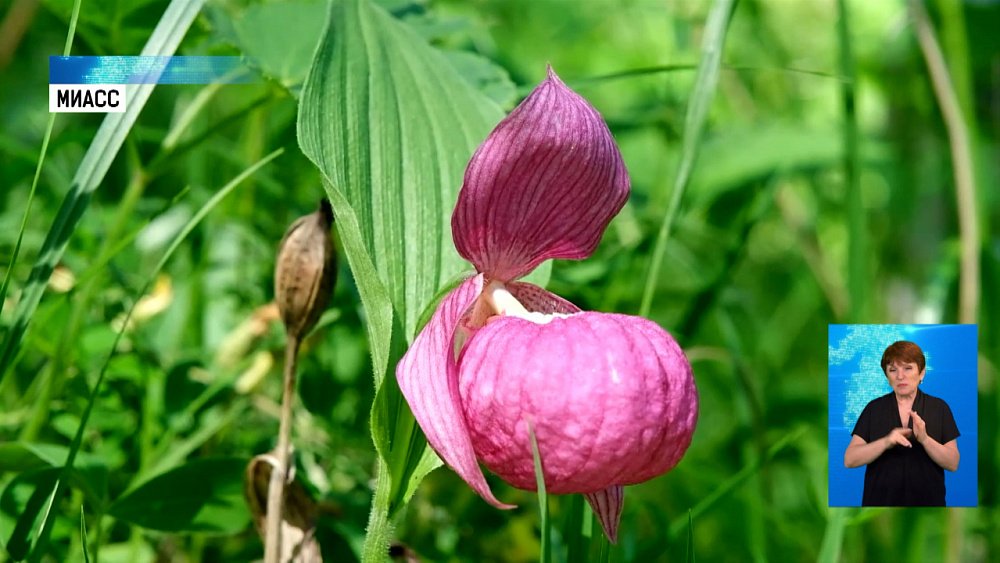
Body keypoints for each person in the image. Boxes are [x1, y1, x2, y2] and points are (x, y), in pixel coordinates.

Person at [843, 340, 960, 506]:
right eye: (893, 370)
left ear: (922, 373)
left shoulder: (939, 408)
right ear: (887, 376)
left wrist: (925, 439)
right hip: (879, 508)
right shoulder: (873, 409)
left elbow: (953, 463)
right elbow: (850, 459)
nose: (900, 376)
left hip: (927, 508)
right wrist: (886, 441)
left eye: (908, 368)